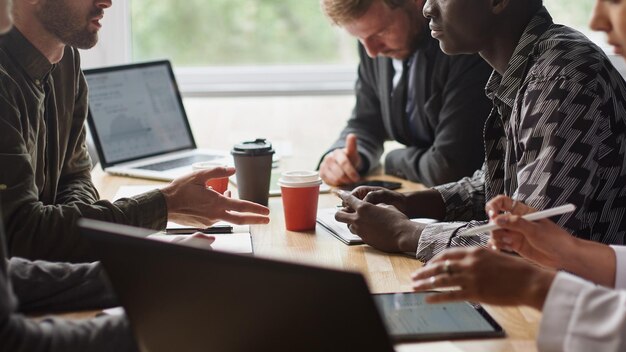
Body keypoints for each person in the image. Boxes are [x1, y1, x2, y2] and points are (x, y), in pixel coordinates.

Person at [335, 0, 626, 263]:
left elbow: (531, 241)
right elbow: (498, 189)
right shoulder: (529, 66)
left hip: (588, 306)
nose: (426, 8)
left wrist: (404, 233)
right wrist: (409, 203)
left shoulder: (561, 78)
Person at [0, 0, 270, 263]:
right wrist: (166, 206)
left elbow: (74, 176)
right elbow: (21, 236)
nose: (107, 2)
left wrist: (80, 227)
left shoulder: (67, 60)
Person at [318, 0, 491, 187]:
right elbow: (366, 123)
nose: (372, 52)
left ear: (416, 2)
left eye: (381, 32)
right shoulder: (375, 46)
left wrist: (393, 159)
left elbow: (449, 167)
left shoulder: (461, 46)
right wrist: (344, 157)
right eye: (360, 38)